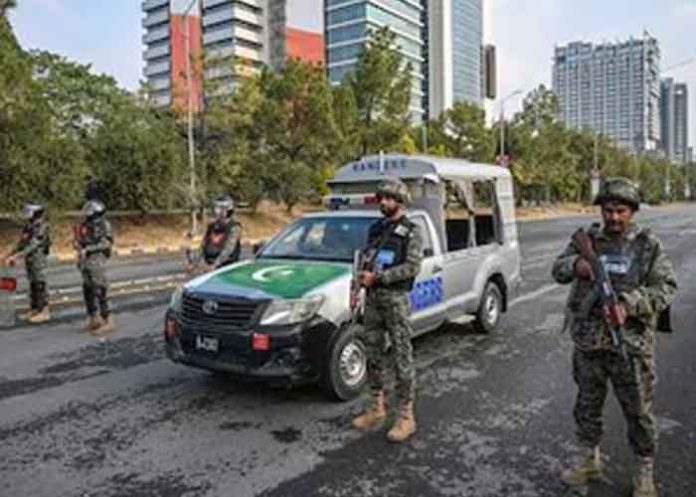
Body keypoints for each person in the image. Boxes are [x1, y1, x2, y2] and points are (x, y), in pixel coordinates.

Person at [552, 178, 678, 497]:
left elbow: (666, 289)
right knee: (587, 406)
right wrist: (578, 264)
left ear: (632, 211)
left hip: (631, 347)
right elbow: (558, 269)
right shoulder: (589, 239)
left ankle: (644, 472)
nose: (614, 218)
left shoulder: (648, 246)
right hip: (589, 343)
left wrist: (629, 304)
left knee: (638, 412)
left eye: (621, 210)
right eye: (608, 210)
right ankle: (589, 461)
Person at [351, 177, 423, 443]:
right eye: (381, 198)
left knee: (402, 356)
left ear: (400, 201)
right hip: (372, 300)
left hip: (395, 299)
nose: (384, 202)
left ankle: (406, 416)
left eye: (389, 198)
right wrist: (359, 281)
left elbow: (412, 267)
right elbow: (367, 259)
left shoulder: (412, 231)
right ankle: (377, 407)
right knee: (373, 354)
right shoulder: (376, 229)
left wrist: (379, 279)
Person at [4, 202, 52, 323]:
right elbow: (22, 243)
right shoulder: (29, 226)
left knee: (40, 283)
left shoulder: (42, 226)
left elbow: (33, 245)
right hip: (30, 259)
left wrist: (16, 256)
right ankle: (34, 309)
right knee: (33, 283)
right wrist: (11, 253)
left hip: (38, 258)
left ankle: (44, 310)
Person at [74, 200, 115, 336]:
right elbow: (81, 239)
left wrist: (88, 249)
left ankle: (107, 319)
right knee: (88, 289)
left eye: (90, 211)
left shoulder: (104, 225)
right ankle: (94, 318)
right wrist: (77, 244)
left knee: (100, 289)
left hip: (97, 260)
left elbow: (106, 243)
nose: (87, 213)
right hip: (85, 261)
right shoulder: (85, 225)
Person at [187, 195, 242, 274]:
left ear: (228, 210)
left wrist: (216, 264)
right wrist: (194, 263)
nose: (216, 211)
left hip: (228, 267)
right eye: (216, 208)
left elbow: (229, 249)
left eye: (220, 209)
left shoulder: (234, 227)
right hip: (211, 264)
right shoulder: (212, 226)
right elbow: (203, 245)